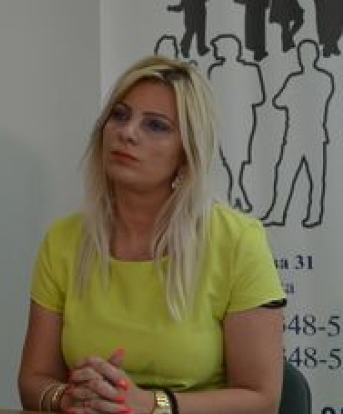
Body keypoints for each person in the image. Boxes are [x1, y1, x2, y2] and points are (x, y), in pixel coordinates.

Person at [18, 56, 285, 414]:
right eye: (119, 115)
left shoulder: (237, 241)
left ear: (187, 154)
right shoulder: (63, 240)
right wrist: (66, 397)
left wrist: (153, 405)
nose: (127, 132)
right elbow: (34, 381)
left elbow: (262, 399)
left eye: (156, 125)